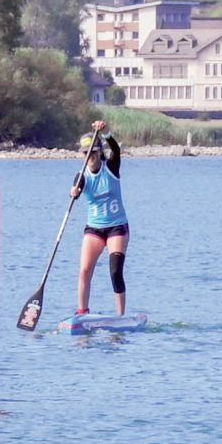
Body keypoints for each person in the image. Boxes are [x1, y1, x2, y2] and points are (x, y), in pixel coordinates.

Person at [70, 120, 130, 316]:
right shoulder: (82, 175)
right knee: (84, 270)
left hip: (117, 227)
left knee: (115, 271)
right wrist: (74, 192)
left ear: (98, 153)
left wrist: (106, 133)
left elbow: (115, 150)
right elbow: (76, 192)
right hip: (94, 229)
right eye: (86, 155)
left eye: (93, 154)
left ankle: (120, 315)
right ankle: (82, 312)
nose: (90, 158)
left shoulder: (111, 167)